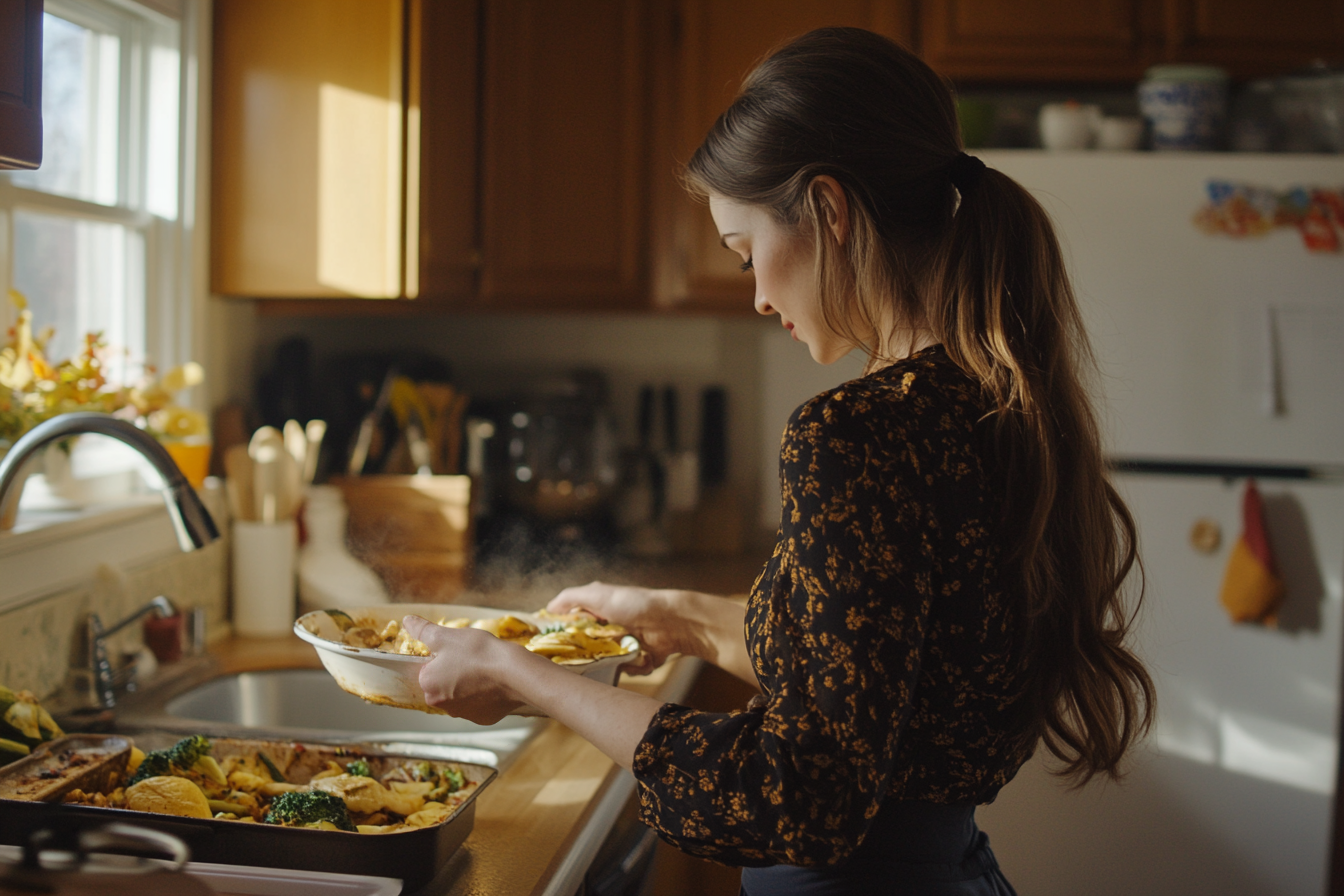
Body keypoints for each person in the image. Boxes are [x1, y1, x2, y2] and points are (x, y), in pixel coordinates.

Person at [404, 26, 1155, 896]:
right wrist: (679, 617)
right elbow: (875, 688)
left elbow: (805, 792)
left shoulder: (853, 433)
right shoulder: (987, 403)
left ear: (830, 211)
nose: (758, 293)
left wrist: (519, 674)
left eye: (747, 249)